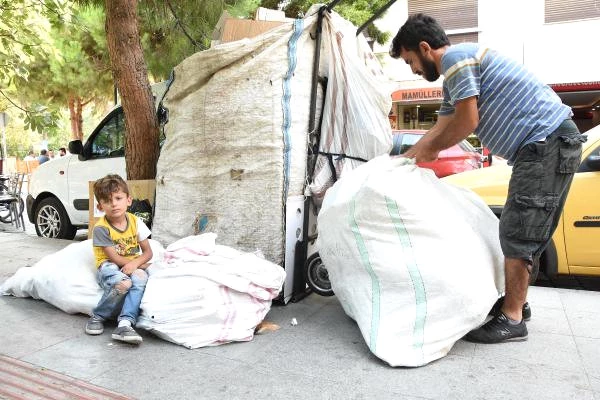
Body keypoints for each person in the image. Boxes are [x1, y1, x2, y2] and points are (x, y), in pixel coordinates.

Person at [389, 14, 586, 343]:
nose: (414, 71)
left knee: (518, 229)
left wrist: (429, 152)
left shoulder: (454, 59)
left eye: (411, 61)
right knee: (528, 227)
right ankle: (517, 305)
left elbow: (467, 122)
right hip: (548, 143)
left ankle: (512, 318)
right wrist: (407, 159)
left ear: (424, 48)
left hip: (544, 143)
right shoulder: (457, 73)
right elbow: (440, 127)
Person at [85, 174, 153, 345]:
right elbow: (113, 257)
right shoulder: (101, 228)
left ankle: (125, 323)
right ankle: (98, 316)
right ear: (100, 206)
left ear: (128, 200)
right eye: (108, 200)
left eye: (118, 198)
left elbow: (148, 252)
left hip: (130, 263)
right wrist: (134, 264)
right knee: (124, 283)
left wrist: (136, 264)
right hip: (109, 266)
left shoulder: (135, 222)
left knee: (140, 278)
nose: (114, 203)